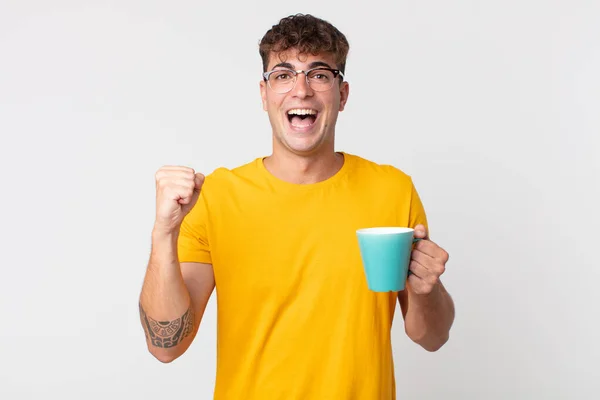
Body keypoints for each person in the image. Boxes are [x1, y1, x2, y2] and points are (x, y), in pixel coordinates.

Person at [138, 13, 455, 399]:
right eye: (283, 74)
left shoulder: (392, 190)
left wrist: (427, 289)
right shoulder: (218, 196)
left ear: (343, 94)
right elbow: (166, 345)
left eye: (320, 74)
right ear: (264, 93)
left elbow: (432, 336)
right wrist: (163, 235)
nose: (301, 90)